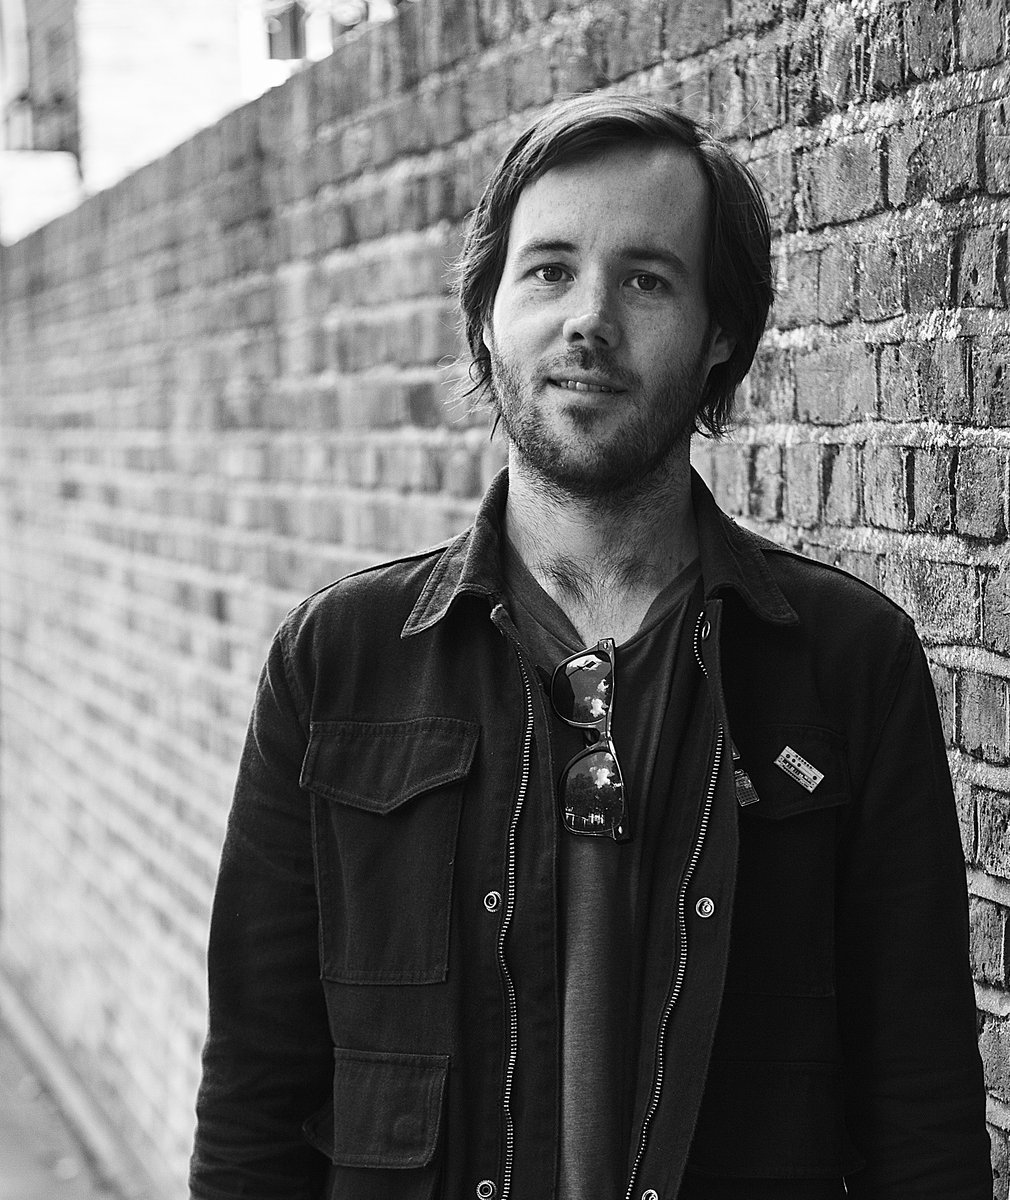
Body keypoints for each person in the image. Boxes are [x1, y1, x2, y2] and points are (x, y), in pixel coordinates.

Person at [189, 94, 993, 1200]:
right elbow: (254, 1101)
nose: (589, 320)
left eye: (646, 280)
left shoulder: (846, 664)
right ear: (486, 315)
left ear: (719, 333)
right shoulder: (336, 662)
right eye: (549, 271)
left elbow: (921, 1110)